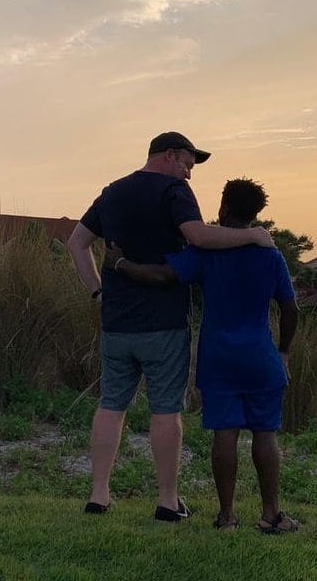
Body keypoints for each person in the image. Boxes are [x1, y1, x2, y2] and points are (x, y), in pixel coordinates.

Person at [67, 132, 274, 522]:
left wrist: (97, 291)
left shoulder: (111, 192)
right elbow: (198, 236)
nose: (189, 175)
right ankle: (167, 501)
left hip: (116, 323)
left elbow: (76, 243)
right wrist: (252, 236)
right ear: (169, 155)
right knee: (165, 410)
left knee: (111, 404)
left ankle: (99, 494)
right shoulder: (174, 191)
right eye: (188, 165)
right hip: (163, 322)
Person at [104, 178, 301, 534]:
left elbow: (162, 275)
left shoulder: (208, 254)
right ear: (255, 213)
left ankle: (226, 517)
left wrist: (121, 264)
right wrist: (284, 351)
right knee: (265, 435)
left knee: (224, 436)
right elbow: (290, 308)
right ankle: (271, 514)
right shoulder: (271, 255)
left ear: (224, 209)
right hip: (261, 358)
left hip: (219, 358)